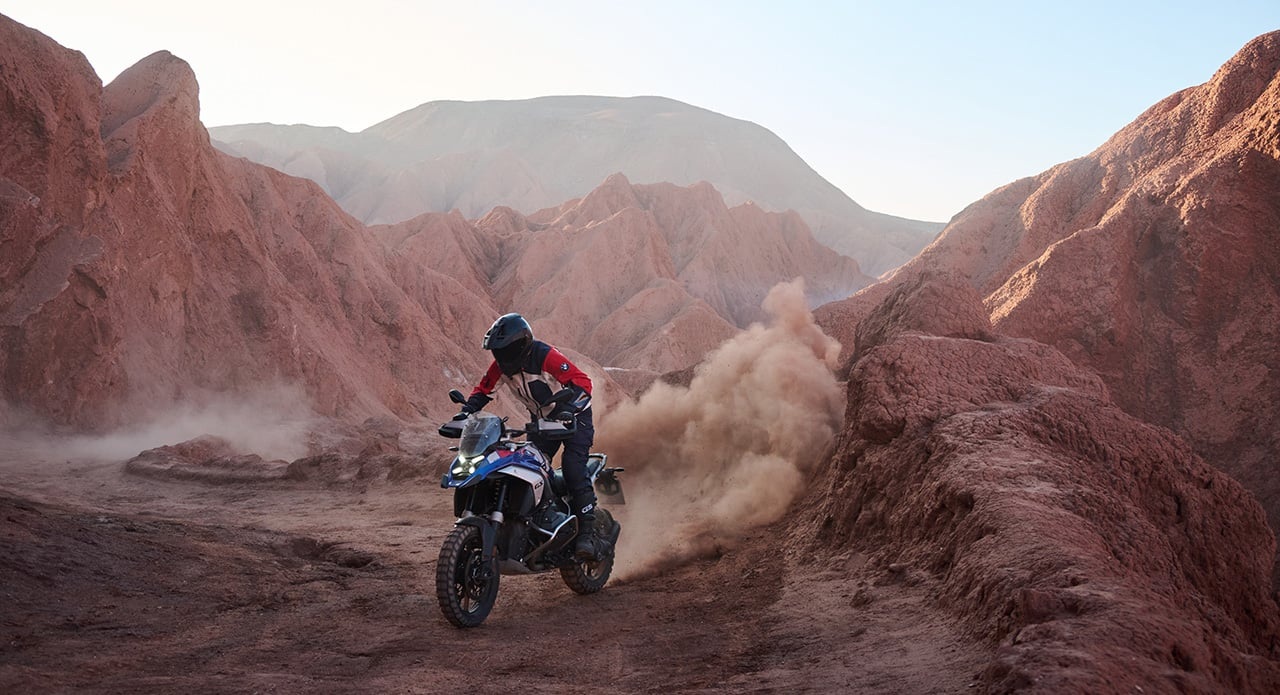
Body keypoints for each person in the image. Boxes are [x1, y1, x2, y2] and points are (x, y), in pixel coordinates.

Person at [455, 313, 603, 561]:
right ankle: (540, 518)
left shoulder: (545, 356)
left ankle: (587, 534)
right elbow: (484, 390)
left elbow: (582, 383)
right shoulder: (501, 366)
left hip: (575, 419)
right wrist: (466, 411)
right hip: (542, 423)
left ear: (521, 345)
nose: (501, 356)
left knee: (573, 468)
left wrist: (569, 409)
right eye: (497, 351)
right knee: (530, 465)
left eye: (506, 349)